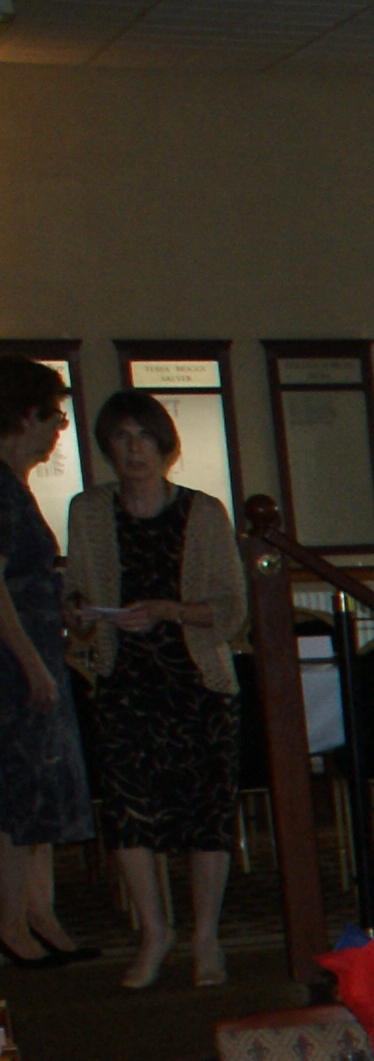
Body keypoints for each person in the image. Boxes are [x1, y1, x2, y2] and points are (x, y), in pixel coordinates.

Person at [64, 387, 245, 988]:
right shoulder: (88, 511)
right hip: (123, 679)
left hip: (196, 681)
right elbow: (77, 591)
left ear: (166, 445)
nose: (133, 449)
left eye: (143, 436)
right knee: (127, 814)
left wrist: (169, 610)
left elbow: (231, 610)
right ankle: (154, 933)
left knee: (207, 813)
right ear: (106, 447)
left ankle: (205, 938)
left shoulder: (204, 512)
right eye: (121, 437)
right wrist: (81, 613)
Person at [0, 360, 95, 966]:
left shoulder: (14, 484)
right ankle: (13, 925)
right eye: (55, 416)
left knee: (38, 789)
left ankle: (39, 917)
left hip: (30, 652)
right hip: (13, 663)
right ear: (27, 415)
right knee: (19, 794)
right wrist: (32, 664)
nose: (59, 429)